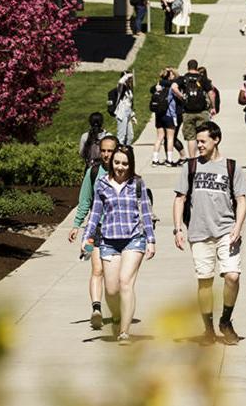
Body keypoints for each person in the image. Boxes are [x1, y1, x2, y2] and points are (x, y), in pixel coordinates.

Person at [172, 121, 246, 346]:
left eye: (203, 141)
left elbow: (241, 200)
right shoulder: (191, 167)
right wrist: (178, 228)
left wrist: (237, 226)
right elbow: (179, 199)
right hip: (199, 233)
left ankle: (225, 321)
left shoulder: (232, 167)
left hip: (227, 231)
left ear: (216, 140)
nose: (199, 145)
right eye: (197, 141)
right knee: (205, 282)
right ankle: (208, 329)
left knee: (232, 276)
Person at [82, 144, 156, 345]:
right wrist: (87, 239)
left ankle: (124, 331)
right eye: (117, 162)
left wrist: (150, 240)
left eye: (124, 163)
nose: (120, 167)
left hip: (134, 239)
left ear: (130, 164)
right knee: (111, 290)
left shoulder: (137, 183)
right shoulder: (102, 185)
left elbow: (146, 214)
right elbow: (95, 214)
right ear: (111, 163)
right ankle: (117, 316)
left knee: (125, 282)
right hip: (108, 241)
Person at [69, 135, 119, 330]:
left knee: (114, 277)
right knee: (97, 270)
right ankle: (96, 309)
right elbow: (85, 201)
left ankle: (116, 310)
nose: (106, 155)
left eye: (110, 151)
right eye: (103, 151)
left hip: (119, 231)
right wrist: (76, 225)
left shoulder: (124, 170)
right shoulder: (94, 172)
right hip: (96, 229)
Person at [171, 59, 216, 158]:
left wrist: (181, 96)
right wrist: (213, 107)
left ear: (188, 67)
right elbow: (211, 93)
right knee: (203, 134)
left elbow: (174, 87)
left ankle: (192, 159)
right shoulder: (202, 79)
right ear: (196, 67)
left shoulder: (183, 78)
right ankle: (204, 156)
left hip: (188, 112)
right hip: (202, 111)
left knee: (191, 137)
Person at [151, 68, 179, 166]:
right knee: (170, 138)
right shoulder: (171, 87)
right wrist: (174, 117)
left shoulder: (158, 86)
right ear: (169, 76)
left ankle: (155, 159)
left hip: (159, 115)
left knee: (159, 137)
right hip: (169, 115)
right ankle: (169, 160)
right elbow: (171, 105)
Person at [114, 71, 136, 146]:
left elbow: (129, 103)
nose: (131, 80)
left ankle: (126, 150)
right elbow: (120, 82)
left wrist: (132, 115)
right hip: (122, 113)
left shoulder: (129, 89)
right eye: (129, 79)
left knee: (130, 136)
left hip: (128, 114)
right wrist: (127, 76)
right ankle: (119, 153)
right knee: (121, 136)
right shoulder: (120, 88)